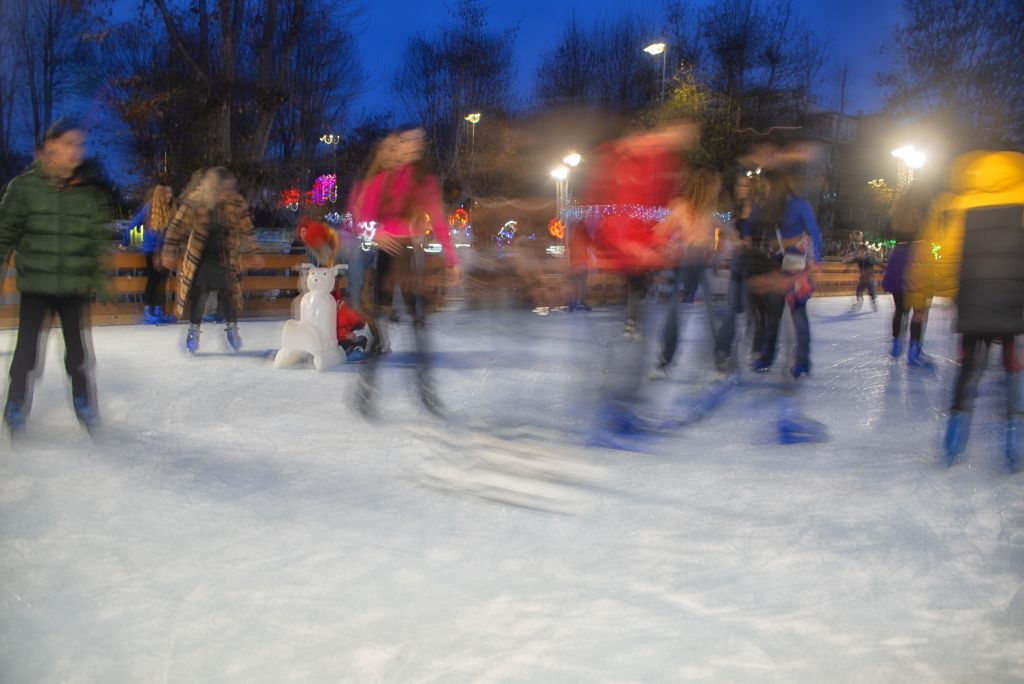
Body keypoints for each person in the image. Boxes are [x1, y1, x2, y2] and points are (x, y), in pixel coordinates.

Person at [906, 150, 1024, 467]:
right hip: (1015, 300)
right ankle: (1016, 440)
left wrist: (936, 295)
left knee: (968, 367)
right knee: (1013, 366)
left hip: (972, 298)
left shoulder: (954, 203)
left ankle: (953, 440)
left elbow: (938, 251)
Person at [0, 118, 114, 433]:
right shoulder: (23, 188)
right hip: (36, 286)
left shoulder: (89, 192)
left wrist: (101, 283)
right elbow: (4, 233)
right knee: (25, 354)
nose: (76, 151)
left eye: (80, 144)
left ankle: (84, 403)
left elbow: (95, 242)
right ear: (50, 146)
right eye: (68, 144)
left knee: (77, 355)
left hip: (74, 287)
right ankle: (16, 404)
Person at [352, 125, 463, 416]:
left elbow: (438, 222)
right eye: (408, 140)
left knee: (420, 327)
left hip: (413, 257)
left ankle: (426, 393)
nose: (414, 145)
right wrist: (374, 233)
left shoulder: (424, 182)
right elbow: (358, 217)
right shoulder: (380, 180)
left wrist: (452, 260)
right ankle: (365, 391)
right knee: (381, 331)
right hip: (388, 259)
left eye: (419, 141)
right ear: (397, 145)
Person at [161, 167, 259, 353]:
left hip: (225, 256)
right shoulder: (196, 201)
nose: (225, 193)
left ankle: (232, 330)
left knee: (230, 292)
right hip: (202, 256)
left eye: (228, 189)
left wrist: (254, 252)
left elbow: (247, 228)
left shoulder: (235, 202)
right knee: (201, 293)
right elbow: (177, 227)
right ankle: (193, 331)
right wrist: (169, 252)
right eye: (222, 189)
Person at [749, 168, 823, 378]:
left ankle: (797, 360)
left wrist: (816, 260)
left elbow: (814, 232)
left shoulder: (797, 204)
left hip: (796, 266)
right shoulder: (770, 207)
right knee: (776, 314)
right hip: (778, 265)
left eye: (767, 184)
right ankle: (774, 357)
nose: (765, 187)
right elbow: (751, 224)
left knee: (794, 314)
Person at [654, 164, 721, 375]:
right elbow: (659, 233)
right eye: (714, 187)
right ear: (705, 187)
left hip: (701, 266)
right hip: (683, 265)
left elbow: (712, 242)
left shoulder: (709, 212)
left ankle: (722, 360)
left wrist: (711, 250)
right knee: (674, 314)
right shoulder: (680, 207)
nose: (716, 191)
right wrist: (672, 247)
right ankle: (665, 361)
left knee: (712, 314)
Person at [883, 180, 937, 360]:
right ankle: (914, 349)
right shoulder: (928, 211)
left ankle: (897, 343)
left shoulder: (899, 210)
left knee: (900, 309)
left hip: (898, 257)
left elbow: (887, 230)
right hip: (919, 258)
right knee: (919, 310)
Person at [139, 183, 177, 324]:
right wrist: (124, 241)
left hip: (164, 251)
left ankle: (158, 311)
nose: (169, 196)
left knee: (161, 281)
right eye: (166, 193)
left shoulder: (171, 209)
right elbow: (134, 223)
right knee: (154, 280)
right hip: (151, 250)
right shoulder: (150, 208)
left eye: (170, 193)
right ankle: (149, 311)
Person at [846, 246, 878, 310]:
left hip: (870, 279)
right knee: (859, 290)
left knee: (871, 291)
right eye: (859, 252)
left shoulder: (869, 259)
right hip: (862, 279)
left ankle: (874, 302)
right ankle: (859, 302)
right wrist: (846, 264)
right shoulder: (859, 259)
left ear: (866, 252)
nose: (860, 253)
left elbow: (877, 263)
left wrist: (884, 267)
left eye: (862, 252)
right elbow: (853, 261)